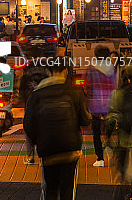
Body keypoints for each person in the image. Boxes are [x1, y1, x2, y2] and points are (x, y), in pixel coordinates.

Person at [24, 62, 91, 200]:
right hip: (70, 149)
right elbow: (85, 120)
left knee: (50, 190)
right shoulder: (75, 91)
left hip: (48, 150)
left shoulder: (37, 93)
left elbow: (28, 124)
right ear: (66, 71)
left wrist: (39, 141)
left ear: (48, 72)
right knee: (67, 190)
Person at [106, 65, 132, 200]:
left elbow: (110, 118)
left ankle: (120, 192)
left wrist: (108, 139)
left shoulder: (116, 93)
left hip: (122, 138)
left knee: (122, 170)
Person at [86, 45, 118, 168]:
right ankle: (108, 144)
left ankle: (100, 159)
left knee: (96, 133)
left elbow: (88, 87)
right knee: (109, 128)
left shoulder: (91, 68)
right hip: (109, 104)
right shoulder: (112, 69)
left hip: (95, 105)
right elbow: (114, 85)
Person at [19, 63, 49, 164]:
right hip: (42, 105)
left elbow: (21, 90)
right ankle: (42, 157)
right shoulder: (45, 73)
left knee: (28, 130)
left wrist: (23, 100)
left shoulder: (26, 73)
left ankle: (30, 156)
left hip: (29, 105)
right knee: (43, 131)